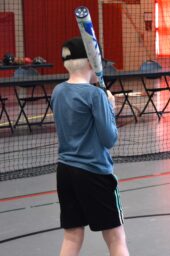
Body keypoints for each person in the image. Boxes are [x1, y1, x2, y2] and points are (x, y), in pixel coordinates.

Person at [51, 37, 130, 256]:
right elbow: (109, 139)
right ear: (90, 63)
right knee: (116, 237)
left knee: (72, 235)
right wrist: (110, 108)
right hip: (95, 172)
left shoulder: (58, 91)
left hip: (65, 172)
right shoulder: (95, 95)